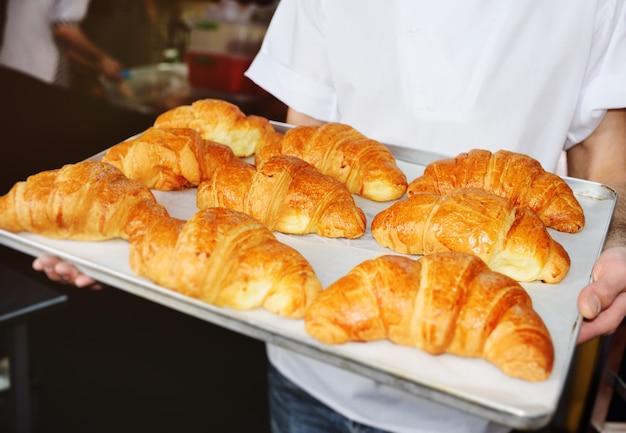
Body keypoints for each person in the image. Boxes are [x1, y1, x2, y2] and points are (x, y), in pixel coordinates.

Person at [32, 1, 626, 432]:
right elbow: (301, 145)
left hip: (491, 387)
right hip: (310, 361)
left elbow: (605, 150)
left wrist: (619, 241)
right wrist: (108, 237)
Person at [0, 0, 122, 89]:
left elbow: (58, 46)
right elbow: (65, 29)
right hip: (43, 79)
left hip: (8, 70)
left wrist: (97, 66)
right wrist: (102, 59)